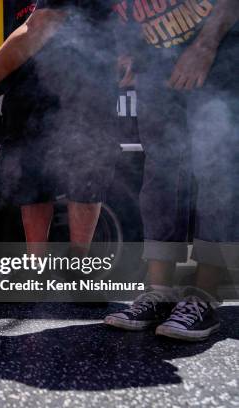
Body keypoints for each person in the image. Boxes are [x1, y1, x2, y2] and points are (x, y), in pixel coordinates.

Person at [0, 0, 120, 271]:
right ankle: (36, 269)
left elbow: (39, 25)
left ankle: (79, 269)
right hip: (29, 85)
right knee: (30, 175)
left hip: (83, 83)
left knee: (84, 173)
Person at [104, 0, 239, 341]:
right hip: (157, 67)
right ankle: (159, 293)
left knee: (215, 169)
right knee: (161, 173)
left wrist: (205, 46)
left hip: (219, 56)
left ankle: (203, 298)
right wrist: (129, 52)